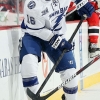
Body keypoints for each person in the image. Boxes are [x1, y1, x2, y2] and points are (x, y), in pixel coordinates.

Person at [19, 0, 94, 100]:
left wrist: (82, 2)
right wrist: (59, 42)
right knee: (28, 65)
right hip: (33, 35)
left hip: (57, 34)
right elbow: (36, 30)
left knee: (70, 74)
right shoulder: (32, 4)